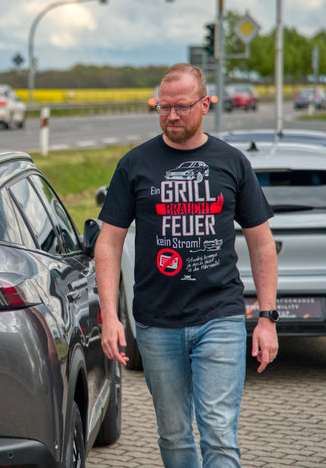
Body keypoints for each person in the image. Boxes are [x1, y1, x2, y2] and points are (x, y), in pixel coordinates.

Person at [95, 63, 278, 468]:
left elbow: (262, 243)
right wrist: (110, 315)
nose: (172, 116)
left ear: (205, 103)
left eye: (181, 107)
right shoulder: (135, 164)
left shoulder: (231, 163)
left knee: (217, 431)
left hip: (220, 316)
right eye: (163, 108)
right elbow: (108, 243)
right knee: (175, 435)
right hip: (157, 322)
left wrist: (267, 318)